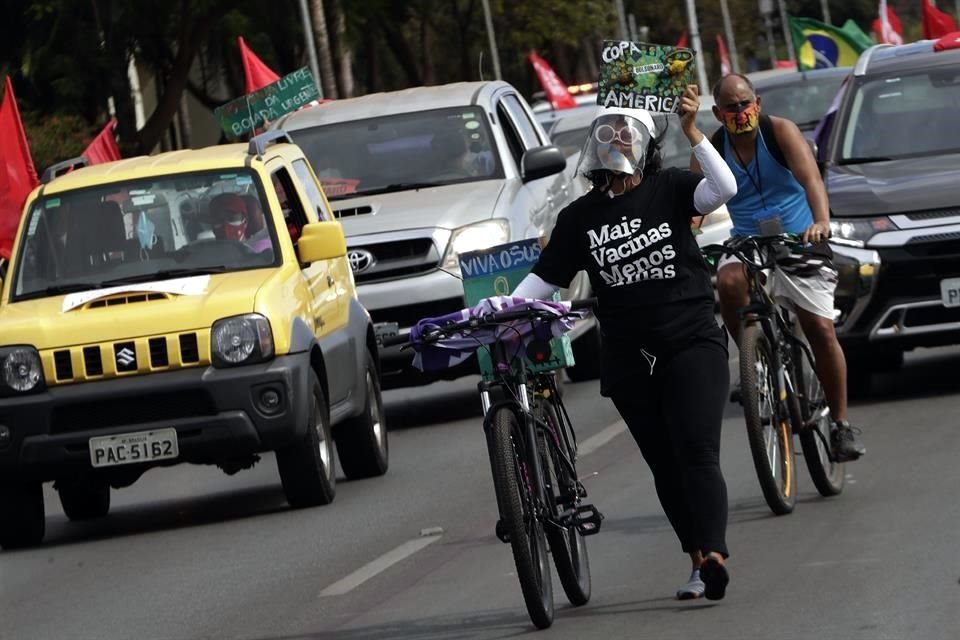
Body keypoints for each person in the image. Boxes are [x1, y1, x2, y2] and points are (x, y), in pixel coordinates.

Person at [509, 85, 738, 601]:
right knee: (664, 463)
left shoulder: (670, 187)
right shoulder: (579, 218)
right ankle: (696, 561)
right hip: (630, 357)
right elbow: (543, 281)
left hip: (691, 341)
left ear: (644, 145)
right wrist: (495, 312)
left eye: (625, 132)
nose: (615, 140)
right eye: (606, 132)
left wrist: (692, 129)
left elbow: (723, 187)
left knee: (697, 450)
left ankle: (714, 555)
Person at [694, 73, 865, 463]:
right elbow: (692, 204)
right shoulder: (713, 148)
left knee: (819, 327)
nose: (741, 112)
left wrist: (821, 221)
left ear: (757, 103)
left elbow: (811, 179)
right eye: (731, 108)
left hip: (800, 237)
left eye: (745, 104)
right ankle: (753, 365)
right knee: (729, 281)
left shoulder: (781, 132)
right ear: (718, 114)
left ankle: (840, 425)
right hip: (748, 242)